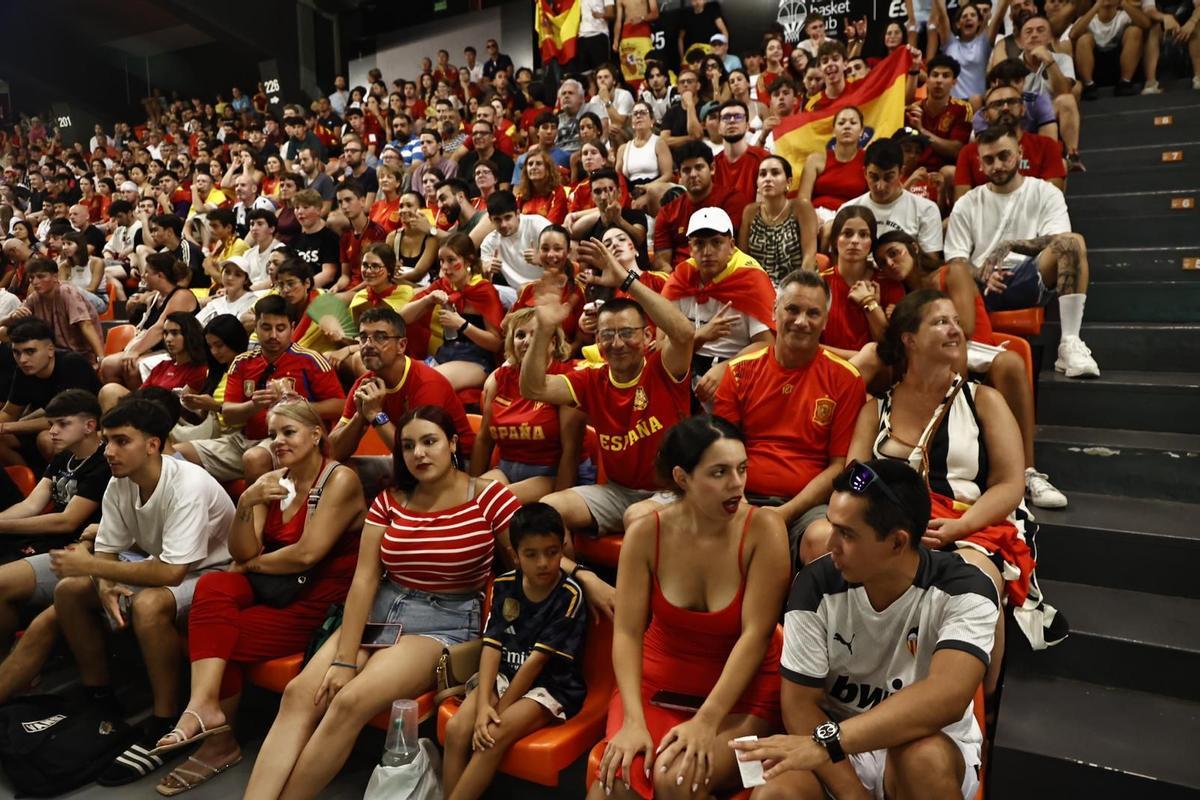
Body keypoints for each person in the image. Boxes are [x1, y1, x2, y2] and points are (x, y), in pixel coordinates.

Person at [243, 406, 520, 799]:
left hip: (444, 619)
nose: (419, 454)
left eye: (429, 442)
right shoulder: (391, 499)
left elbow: (531, 562)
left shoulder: (489, 497)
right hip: (383, 608)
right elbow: (365, 579)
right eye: (408, 446)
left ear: (453, 444)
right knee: (301, 693)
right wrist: (342, 659)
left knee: (349, 701)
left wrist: (587, 578)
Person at [732, 459, 999, 800]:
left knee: (922, 760)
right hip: (837, 750)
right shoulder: (815, 585)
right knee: (775, 793)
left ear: (897, 543)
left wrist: (827, 740)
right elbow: (799, 706)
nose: (830, 544)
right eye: (831, 526)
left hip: (926, 740)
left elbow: (945, 698)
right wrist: (852, 793)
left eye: (847, 533)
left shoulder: (966, 588)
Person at [150, 399, 365, 795]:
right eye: (271, 435)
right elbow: (241, 551)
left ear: (317, 435)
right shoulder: (273, 480)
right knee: (212, 588)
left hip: (317, 601)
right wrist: (247, 503)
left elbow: (306, 554)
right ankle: (204, 706)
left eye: (288, 432)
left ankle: (218, 741)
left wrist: (251, 566)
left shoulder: (339, 480)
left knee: (216, 637)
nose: (277, 442)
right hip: (274, 587)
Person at [589, 415, 790, 800]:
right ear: (682, 478)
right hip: (657, 685)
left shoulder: (766, 530)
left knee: (678, 778)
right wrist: (632, 720)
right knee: (616, 782)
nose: (737, 483)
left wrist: (706, 721)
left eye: (742, 469)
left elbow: (756, 635)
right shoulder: (647, 532)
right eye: (719, 472)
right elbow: (628, 632)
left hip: (743, 696)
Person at [48, 397, 234, 786]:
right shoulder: (120, 483)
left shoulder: (188, 484)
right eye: (107, 442)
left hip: (215, 575)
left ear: (152, 444)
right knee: (69, 591)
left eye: (120, 441)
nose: (109, 452)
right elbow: (107, 549)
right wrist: (105, 586)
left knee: (149, 605)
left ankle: (164, 719)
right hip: (165, 567)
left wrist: (95, 569)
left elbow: (171, 571)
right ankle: (101, 697)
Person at [872, 230, 1066, 510]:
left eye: (894, 252)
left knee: (1010, 362)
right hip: (933, 358)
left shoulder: (953, 271)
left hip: (974, 348)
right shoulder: (901, 295)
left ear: (913, 247)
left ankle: (1029, 472)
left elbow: (963, 329)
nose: (889, 263)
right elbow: (891, 342)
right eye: (881, 261)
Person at [520, 238, 694, 536]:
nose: (616, 343)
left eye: (627, 333)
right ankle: (575, 579)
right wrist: (544, 330)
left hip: (674, 492)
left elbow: (684, 333)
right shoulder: (592, 379)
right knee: (548, 511)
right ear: (597, 342)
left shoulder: (663, 367)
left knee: (638, 518)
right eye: (607, 335)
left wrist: (628, 280)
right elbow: (533, 389)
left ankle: (629, 585)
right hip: (617, 492)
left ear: (648, 337)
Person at [713, 269, 866, 567]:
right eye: (792, 309)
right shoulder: (739, 371)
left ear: (825, 321)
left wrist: (785, 513)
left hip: (808, 506)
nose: (801, 321)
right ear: (774, 310)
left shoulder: (847, 380)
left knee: (824, 541)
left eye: (813, 313)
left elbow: (838, 467)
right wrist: (738, 501)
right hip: (738, 494)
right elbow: (722, 453)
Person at [442, 503, 589, 800]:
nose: (544, 563)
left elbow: (537, 661)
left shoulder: (570, 594)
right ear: (515, 554)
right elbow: (492, 646)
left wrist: (499, 710)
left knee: (492, 736)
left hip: (549, 687)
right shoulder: (505, 584)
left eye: (551, 552)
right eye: (531, 554)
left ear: (563, 549)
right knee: (458, 728)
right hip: (505, 676)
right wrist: (484, 704)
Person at [945, 126, 1100, 378]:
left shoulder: (1044, 191)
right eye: (989, 159)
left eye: (1004, 156)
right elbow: (957, 258)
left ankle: (1070, 343)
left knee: (1072, 243)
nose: (997, 165)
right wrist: (981, 274)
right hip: (982, 289)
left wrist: (1011, 244)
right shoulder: (967, 203)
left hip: (1029, 275)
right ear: (980, 163)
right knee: (956, 273)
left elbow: (1060, 238)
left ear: (1019, 153)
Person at [0, 390, 110, 707]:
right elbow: (31, 505)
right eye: (51, 424)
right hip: (48, 546)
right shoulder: (65, 457)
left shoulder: (103, 464)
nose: (52, 432)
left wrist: (2, 526)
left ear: (90, 425)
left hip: (78, 552)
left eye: (62, 424)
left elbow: (66, 521)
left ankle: (19, 669)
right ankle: (15, 664)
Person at [174, 295, 345, 482]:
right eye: (266, 328)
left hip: (288, 441)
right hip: (242, 441)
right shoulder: (242, 362)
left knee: (254, 458)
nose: (273, 335)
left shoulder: (311, 360)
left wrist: (296, 407)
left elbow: (339, 406)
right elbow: (229, 415)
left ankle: (257, 511)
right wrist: (254, 406)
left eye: (280, 328)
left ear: (292, 328)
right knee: (179, 454)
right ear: (255, 328)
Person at [472, 307, 589, 504]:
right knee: (469, 497)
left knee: (498, 502)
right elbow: (484, 439)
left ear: (552, 343)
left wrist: (558, 510)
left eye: (535, 335)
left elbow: (571, 451)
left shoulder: (565, 379)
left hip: (551, 475)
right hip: (505, 470)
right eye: (520, 335)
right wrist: (469, 484)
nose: (526, 341)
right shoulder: (497, 379)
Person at [662, 207, 777, 405]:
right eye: (699, 244)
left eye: (716, 243)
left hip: (741, 370)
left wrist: (728, 368)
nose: (707, 252)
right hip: (685, 368)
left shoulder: (751, 280)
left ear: (731, 245)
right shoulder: (681, 279)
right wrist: (700, 336)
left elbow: (767, 344)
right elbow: (661, 346)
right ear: (690, 248)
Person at [329, 306, 475, 461]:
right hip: (406, 461)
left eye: (380, 337)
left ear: (401, 345)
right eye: (363, 337)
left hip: (453, 463)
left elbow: (418, 455)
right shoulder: (364, 384)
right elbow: (332, 453)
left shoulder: (426, 383)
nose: (368, 345)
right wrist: (360, 416)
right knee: (339, 472)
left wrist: (376, 415)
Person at [401, 233, 504, 390]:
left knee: (429, 384)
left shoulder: (484, 291)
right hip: (445, 354)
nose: (444, 267)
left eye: (451, 260)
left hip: (476, 360)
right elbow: (402, 318)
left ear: (468, 260)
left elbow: (496, 344)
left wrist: (462, 325)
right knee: (400, 376)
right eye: (441, 261)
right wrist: (426, 300)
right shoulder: (443, 285)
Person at [0, 319, 101, 467]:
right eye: (16, 352)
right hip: (50, 424)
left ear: (50, 349)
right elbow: (9, 412)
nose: (22, 359)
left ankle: (59, 484)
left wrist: (5, 427)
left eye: (30, 351)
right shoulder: (23, 371)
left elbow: (65, 418)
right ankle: (27, 485)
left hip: (82, 427)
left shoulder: (72, 364)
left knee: (47, 439)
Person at [819, 207, 905, 359]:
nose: (854, 241)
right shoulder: (819, 283)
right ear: (834, 240)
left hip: (877, 376)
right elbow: (807, 344)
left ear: (872, 244)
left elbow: (892, 350)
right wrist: (859, 358)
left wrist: (869, 304)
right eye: (847, 233)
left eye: (863, 235)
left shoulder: (889, 284)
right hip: (827, 371)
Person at [955, 84, 1067, 199]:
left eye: (1012, 102)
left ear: (1023, 109)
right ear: (985, 115)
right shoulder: (969, 152)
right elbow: (962, 201)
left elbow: (1051, 197)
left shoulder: (1046, 145)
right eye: (997, 104)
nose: (1005, 108)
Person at [844, 139, 944, 261]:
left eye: (888, 177)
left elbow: (931, 264)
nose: (880, 186)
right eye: (874, 177)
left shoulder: (926, 209)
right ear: (865, 173)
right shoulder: (847, 210)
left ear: (901, 172)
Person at [653, 140, 742, 271]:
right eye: (686, 170)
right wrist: (677, 285)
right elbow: (662, 262)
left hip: (722, 275)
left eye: (699, 167)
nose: (693, 174)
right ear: (679, 175)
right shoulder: (667, 212)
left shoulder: (730, 200)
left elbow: (733, 250)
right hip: (680, 280)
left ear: (712, 169)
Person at [1, 256, 104, 367]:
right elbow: (4, 324)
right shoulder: (34, 297)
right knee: (3, 331)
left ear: (55, 277)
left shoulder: (67, 292)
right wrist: (11, 317)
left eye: (41, 276)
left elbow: (86, 325)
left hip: (78, 354)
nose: (35, 282)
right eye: (31, 278)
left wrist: (100, 358)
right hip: (52, 352)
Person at [98, 311, 208, 411]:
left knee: (111, 391)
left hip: (170, 420)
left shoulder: (199, 370)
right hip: (148, 411)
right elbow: (140, 395)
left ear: (190, 335)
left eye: (175, 333)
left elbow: (184, 409)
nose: (168, 339)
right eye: (165, 333)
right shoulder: (162, 366)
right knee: (110, 392)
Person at [739, 155, 819, 282]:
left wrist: (799, 290)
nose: (768, 179)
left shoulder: (801, 208)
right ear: (757, 183)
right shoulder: (750, 212)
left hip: (795, 285)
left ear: (788, 182)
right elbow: (743, 259)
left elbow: (809, 258)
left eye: (775, 173)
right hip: (758, 286)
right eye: (763, 174)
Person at [512, 225, 586, 345]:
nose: (550, 255)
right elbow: (512, 331)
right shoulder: (527, 290)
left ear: (568, 252)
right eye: (545, 249)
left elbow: (581, 339)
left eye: (557, 249)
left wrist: (562, 357)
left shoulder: (578, 292)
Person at [798, 107, 868, 224]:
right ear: (833, 131)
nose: (847, 126)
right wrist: (811, 218)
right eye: (841, 123)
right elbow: (803, 199)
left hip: (851, 218)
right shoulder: (815, 160)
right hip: (816, 215)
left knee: (829, 230)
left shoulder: (868, 161)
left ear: (861, 131)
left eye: (853, 122)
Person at [479, 190, 551, 301]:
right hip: (517, 294)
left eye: (507, 217)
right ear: (490, 219)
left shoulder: (538, 225)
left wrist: (542, 260)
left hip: (549, 288)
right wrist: (486, 271)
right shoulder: (488, 244)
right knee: (483, 291)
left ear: (517, 213)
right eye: (497, 220)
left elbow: (566, 261)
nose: (503, 224)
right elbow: (487, 283)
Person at [275, 259, 357, 356]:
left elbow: (354, 296)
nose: (285, 290)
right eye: (281, 285)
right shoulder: (279, 306)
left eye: (291, 283)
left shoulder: (323, 303)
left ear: (307, 283)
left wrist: (340, 338)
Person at [1071, 0, 1151, 98]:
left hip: (1118, 60)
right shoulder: (1089, 18)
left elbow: (1146, 24)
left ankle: (1125, 82)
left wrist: (1122, 2)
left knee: (1135, 31)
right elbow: (1073, 34)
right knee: (1083, 39)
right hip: (1095, 62)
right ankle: (1089, 85)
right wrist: (1097, 6)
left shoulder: (1123, 16)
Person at [1141, 0, 1200, 94]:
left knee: (1198, 25)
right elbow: (1149, 10)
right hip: (1163, 21)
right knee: (1154, 29)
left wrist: (1192, 22)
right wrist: (1165, 17)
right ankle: (1150, 83)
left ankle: (1198, 77)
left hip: (1188, 19)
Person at [290, 188, 341, 289]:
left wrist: (302, 289)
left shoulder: (331, 238)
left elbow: (328, 274)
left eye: (305, 207)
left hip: (321, 292)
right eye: (296, 207)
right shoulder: (294, 240)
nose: (299, 211)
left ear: (318, 210)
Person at [57, 230, 108, 315]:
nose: (65, 247)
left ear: (80, 245)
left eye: (69, 244)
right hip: (73, 302)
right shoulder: (63, 266)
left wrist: (72, 287)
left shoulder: (96, 262)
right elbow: (61, 291)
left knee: (67, 287)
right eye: (63, 244)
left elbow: (92, 289)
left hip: (98, 300)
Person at [198, 255, 260, 325]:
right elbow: (196, 323)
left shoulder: (252, 302)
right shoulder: (216, 303)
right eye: (227, 272)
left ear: (246, 280)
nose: (230, 278)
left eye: (237, 275)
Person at [516, 149, 569, 225]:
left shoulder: (558, 192)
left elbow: (551, 224)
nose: (533, 167)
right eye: (530, 164)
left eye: (538, 163)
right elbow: (514, 222)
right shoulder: (522, 194)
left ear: (548, 169)